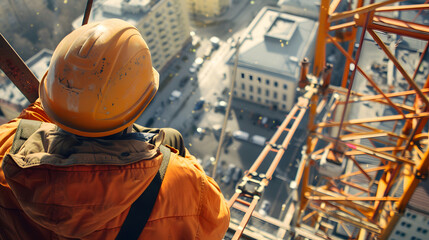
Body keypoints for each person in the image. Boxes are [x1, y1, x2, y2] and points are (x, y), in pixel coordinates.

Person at [0, 19, 230, 239]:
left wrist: (72, 91)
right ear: (142, 100)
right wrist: (181, 156)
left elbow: (38, 116)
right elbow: (216, 223)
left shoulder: (6, 144)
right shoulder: (180, 182)